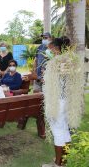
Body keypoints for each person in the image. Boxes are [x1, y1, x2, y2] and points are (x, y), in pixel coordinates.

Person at [41, 37, 81, 167]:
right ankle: (63, 162)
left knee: (58, 131)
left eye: (50, 48)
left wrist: (36, 76)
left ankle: (57, 164)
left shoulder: (57, 62)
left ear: (56, 48)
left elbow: (51, 80)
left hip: (57, 102)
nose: (49, 51)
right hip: (67, 100)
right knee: (64, 130)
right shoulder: (71, 61)